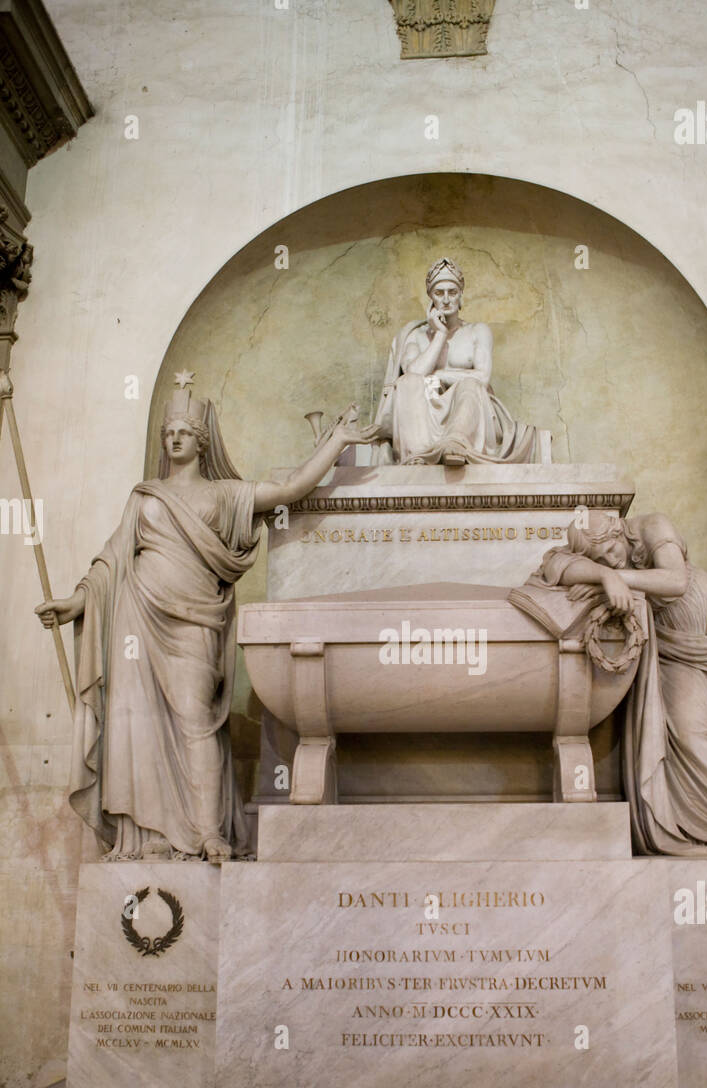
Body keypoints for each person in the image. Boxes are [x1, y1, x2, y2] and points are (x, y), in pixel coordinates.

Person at [36, 385, 377, 863]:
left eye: (184, 433)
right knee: (138, 721)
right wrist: (77, 601)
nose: (174, 440)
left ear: (202, 441)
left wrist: (336, 442)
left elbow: (290, 490)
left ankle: (206, 832)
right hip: (137, 616)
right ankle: (149, 834)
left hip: (195, 621)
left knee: (196, 720)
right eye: (168, 433)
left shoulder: (225, 494)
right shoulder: (144, 497)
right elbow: (112, 560)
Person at [516, 510, 707, 856]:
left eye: (611, 550)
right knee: (690, 733)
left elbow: (676, 581)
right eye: (601, 559)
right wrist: (604, 575)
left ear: (618, 531)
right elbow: (554, 566)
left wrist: (616, 577)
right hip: (670, 643)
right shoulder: (603, 565)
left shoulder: (652, 526)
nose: (612, 559)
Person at [373, 257, 537, 466]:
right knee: (407, 382)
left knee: (470, 384)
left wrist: (439, 375)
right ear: (430, 297)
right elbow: (414, 373)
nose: (446, 299)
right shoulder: (415, 335)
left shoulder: (477, 331)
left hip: (468, 407)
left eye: (452, 292)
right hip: (423, 415)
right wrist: (440, 335)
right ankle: (418, 453)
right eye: (439, 293)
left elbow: (482, 377)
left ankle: (456, 443)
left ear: (460, 295)